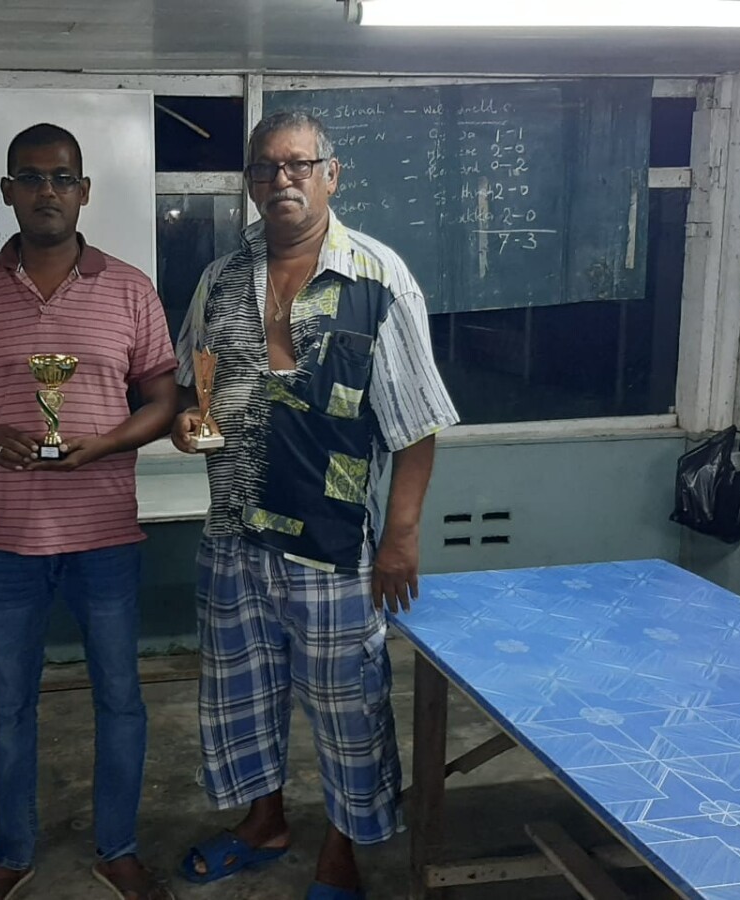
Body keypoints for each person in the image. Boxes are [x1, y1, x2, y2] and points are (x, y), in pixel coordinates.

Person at [171, 110, 460, 900]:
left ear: (332, 175)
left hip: (332, 546)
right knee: (241, 695)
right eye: (266, 167)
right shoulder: (221, 280)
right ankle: (265, 823)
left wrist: (400, 538)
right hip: (233, 534)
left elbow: (417, 424)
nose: (282, 179)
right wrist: (188, 423)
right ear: (250, 183)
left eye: (299, 164)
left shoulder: (378, 277)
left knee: (347, 708)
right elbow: (191, 390)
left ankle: (342, 849)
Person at [0, 123, 178, 900]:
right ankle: (13, 853)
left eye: (63, 177)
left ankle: (119, 848)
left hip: (105, 533)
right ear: (8, 190)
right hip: (7, 540)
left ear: (84, 191)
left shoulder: (130, 287)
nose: (48, 191)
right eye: (32, 177)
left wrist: (106, 443)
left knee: (120, 700)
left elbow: (164, 398)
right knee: (9, 706)